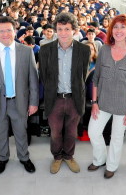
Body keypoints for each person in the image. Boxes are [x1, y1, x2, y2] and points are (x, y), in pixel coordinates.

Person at [0, 16, 39, 174]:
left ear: (15, 31)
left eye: (9, 30)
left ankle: (24, 157)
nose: (5, 34)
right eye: (1, 31)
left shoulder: (26, 51)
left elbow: (33, 79)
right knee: (0, 133)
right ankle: (3, 157)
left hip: (19, 101)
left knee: (21, 132)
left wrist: (33, 102)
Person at [88, 14, 126, 179]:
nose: (119, 31)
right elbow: (96, 78)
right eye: (116, 27)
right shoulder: (104, 49)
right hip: (102, 102)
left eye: (123, 27)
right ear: (111, 30)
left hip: (123, 105)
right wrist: (95, 102)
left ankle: (111, 165)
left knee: (117, 138)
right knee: (93, 132)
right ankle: (100, 159)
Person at [39, 12, 90, 174]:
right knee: (55, 132)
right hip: (55, 99)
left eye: (67, 29)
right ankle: (57, 157)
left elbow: (83, 75)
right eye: (59, 29)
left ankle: (68, 156)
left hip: (74, 98)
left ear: (74, 30)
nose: (63, 33)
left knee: (71, 131)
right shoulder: (46, 49)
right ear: (55, 30)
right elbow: (44, 77)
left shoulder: (84, 49)